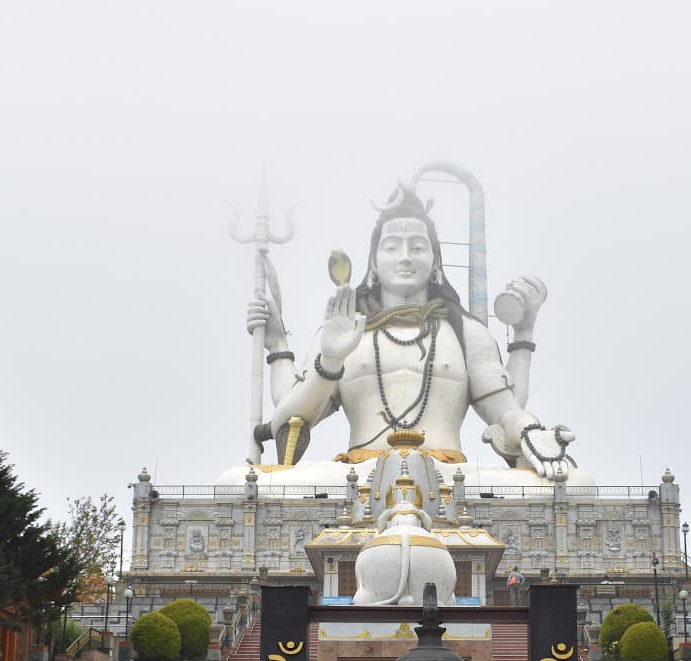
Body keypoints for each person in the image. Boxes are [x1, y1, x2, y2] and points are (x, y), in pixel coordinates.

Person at [242, 185, 584, 485]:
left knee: (579, 482)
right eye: (392, 247)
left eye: (417, 247)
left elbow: (506, 411)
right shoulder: (345, 328)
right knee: (236, 481)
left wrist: (530, 431)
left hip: (446, 477)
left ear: (436, 261)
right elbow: (287, 418)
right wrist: (312, 354)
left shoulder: (466, 332)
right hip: (360, 475)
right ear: (373, 263)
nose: (404, 258)